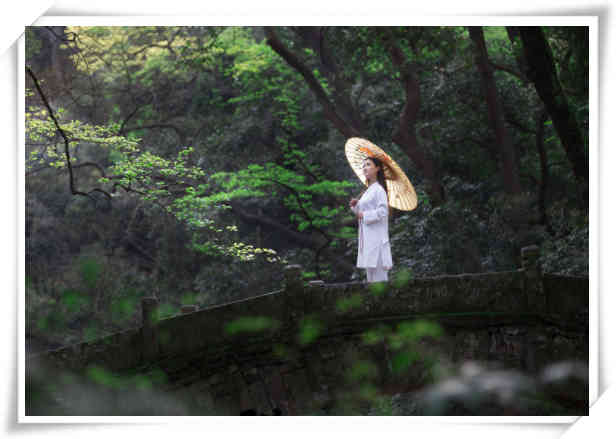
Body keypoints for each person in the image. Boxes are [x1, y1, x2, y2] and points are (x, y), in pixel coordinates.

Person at [349, 156, 393, 283]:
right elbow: (360, 213)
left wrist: (365, 215)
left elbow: (383, 212)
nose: (364, 168)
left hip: (377, 241)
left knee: (379, 280)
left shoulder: (379, 190)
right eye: (363, 165)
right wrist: (356, 205)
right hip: (368, 240)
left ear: (377, 168)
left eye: (368, 164)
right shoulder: (368, 191)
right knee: (371, 281)